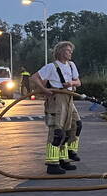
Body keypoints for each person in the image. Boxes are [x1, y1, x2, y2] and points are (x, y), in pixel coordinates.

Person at [30, 41, 83, 174]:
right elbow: (34, 77)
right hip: (57, 99)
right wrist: (44, 90)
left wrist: (71, 83)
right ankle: (52, 164)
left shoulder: (71, 65)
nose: (70, 53)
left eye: (71, 51)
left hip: (69, 97)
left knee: (75, 125)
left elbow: (78, 82)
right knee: (57, 131)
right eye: (68, 50)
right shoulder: (51, 67)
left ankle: (65, 157)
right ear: (60, 52)